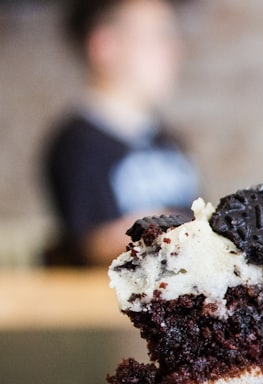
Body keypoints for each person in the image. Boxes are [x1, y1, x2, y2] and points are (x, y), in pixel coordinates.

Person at [41, 0, 198, 266]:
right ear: (105, 46)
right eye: (158, 37)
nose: (174, 51)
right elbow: (95, 245)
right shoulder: (78, 145)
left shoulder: (168, 139)